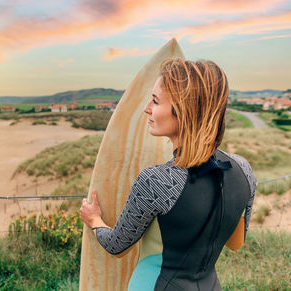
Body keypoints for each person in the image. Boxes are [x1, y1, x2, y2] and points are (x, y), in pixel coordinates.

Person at [79, 58, 256, 291]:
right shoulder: (243, 171)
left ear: (184, 110)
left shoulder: (157, 181)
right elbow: (236, 243)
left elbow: (116, 246)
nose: (147, 108)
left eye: (155, 101)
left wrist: (94, 220)